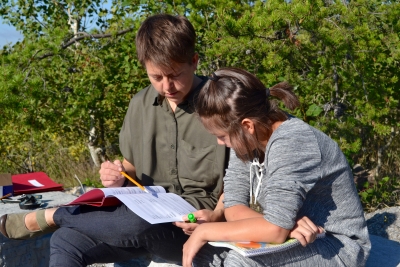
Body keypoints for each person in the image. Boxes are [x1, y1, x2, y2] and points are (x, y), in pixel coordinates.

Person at [0, 15, 319, 267]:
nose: (167, 85)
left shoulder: (220, 106)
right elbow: (131, 169)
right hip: (143, 213)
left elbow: (240, 181)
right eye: (156, 77)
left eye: (175, 74)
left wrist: (217, 216)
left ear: (194, 62)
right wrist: (115, 177)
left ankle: (56, 215)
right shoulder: (139, 105)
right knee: (66, 241)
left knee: (133, 223)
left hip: (194, 223)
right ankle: (63, 222)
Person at [182, 68, 371, 267]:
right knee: (203, 253)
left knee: (240, 263)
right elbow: (233, 206)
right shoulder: (247, 139)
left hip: (334, 244)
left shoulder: (293, 141)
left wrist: (205, 231)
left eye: (222, 136)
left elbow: (275, 230)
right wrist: (280, 226)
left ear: (247, 126)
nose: (220, 143)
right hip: (295, 235)